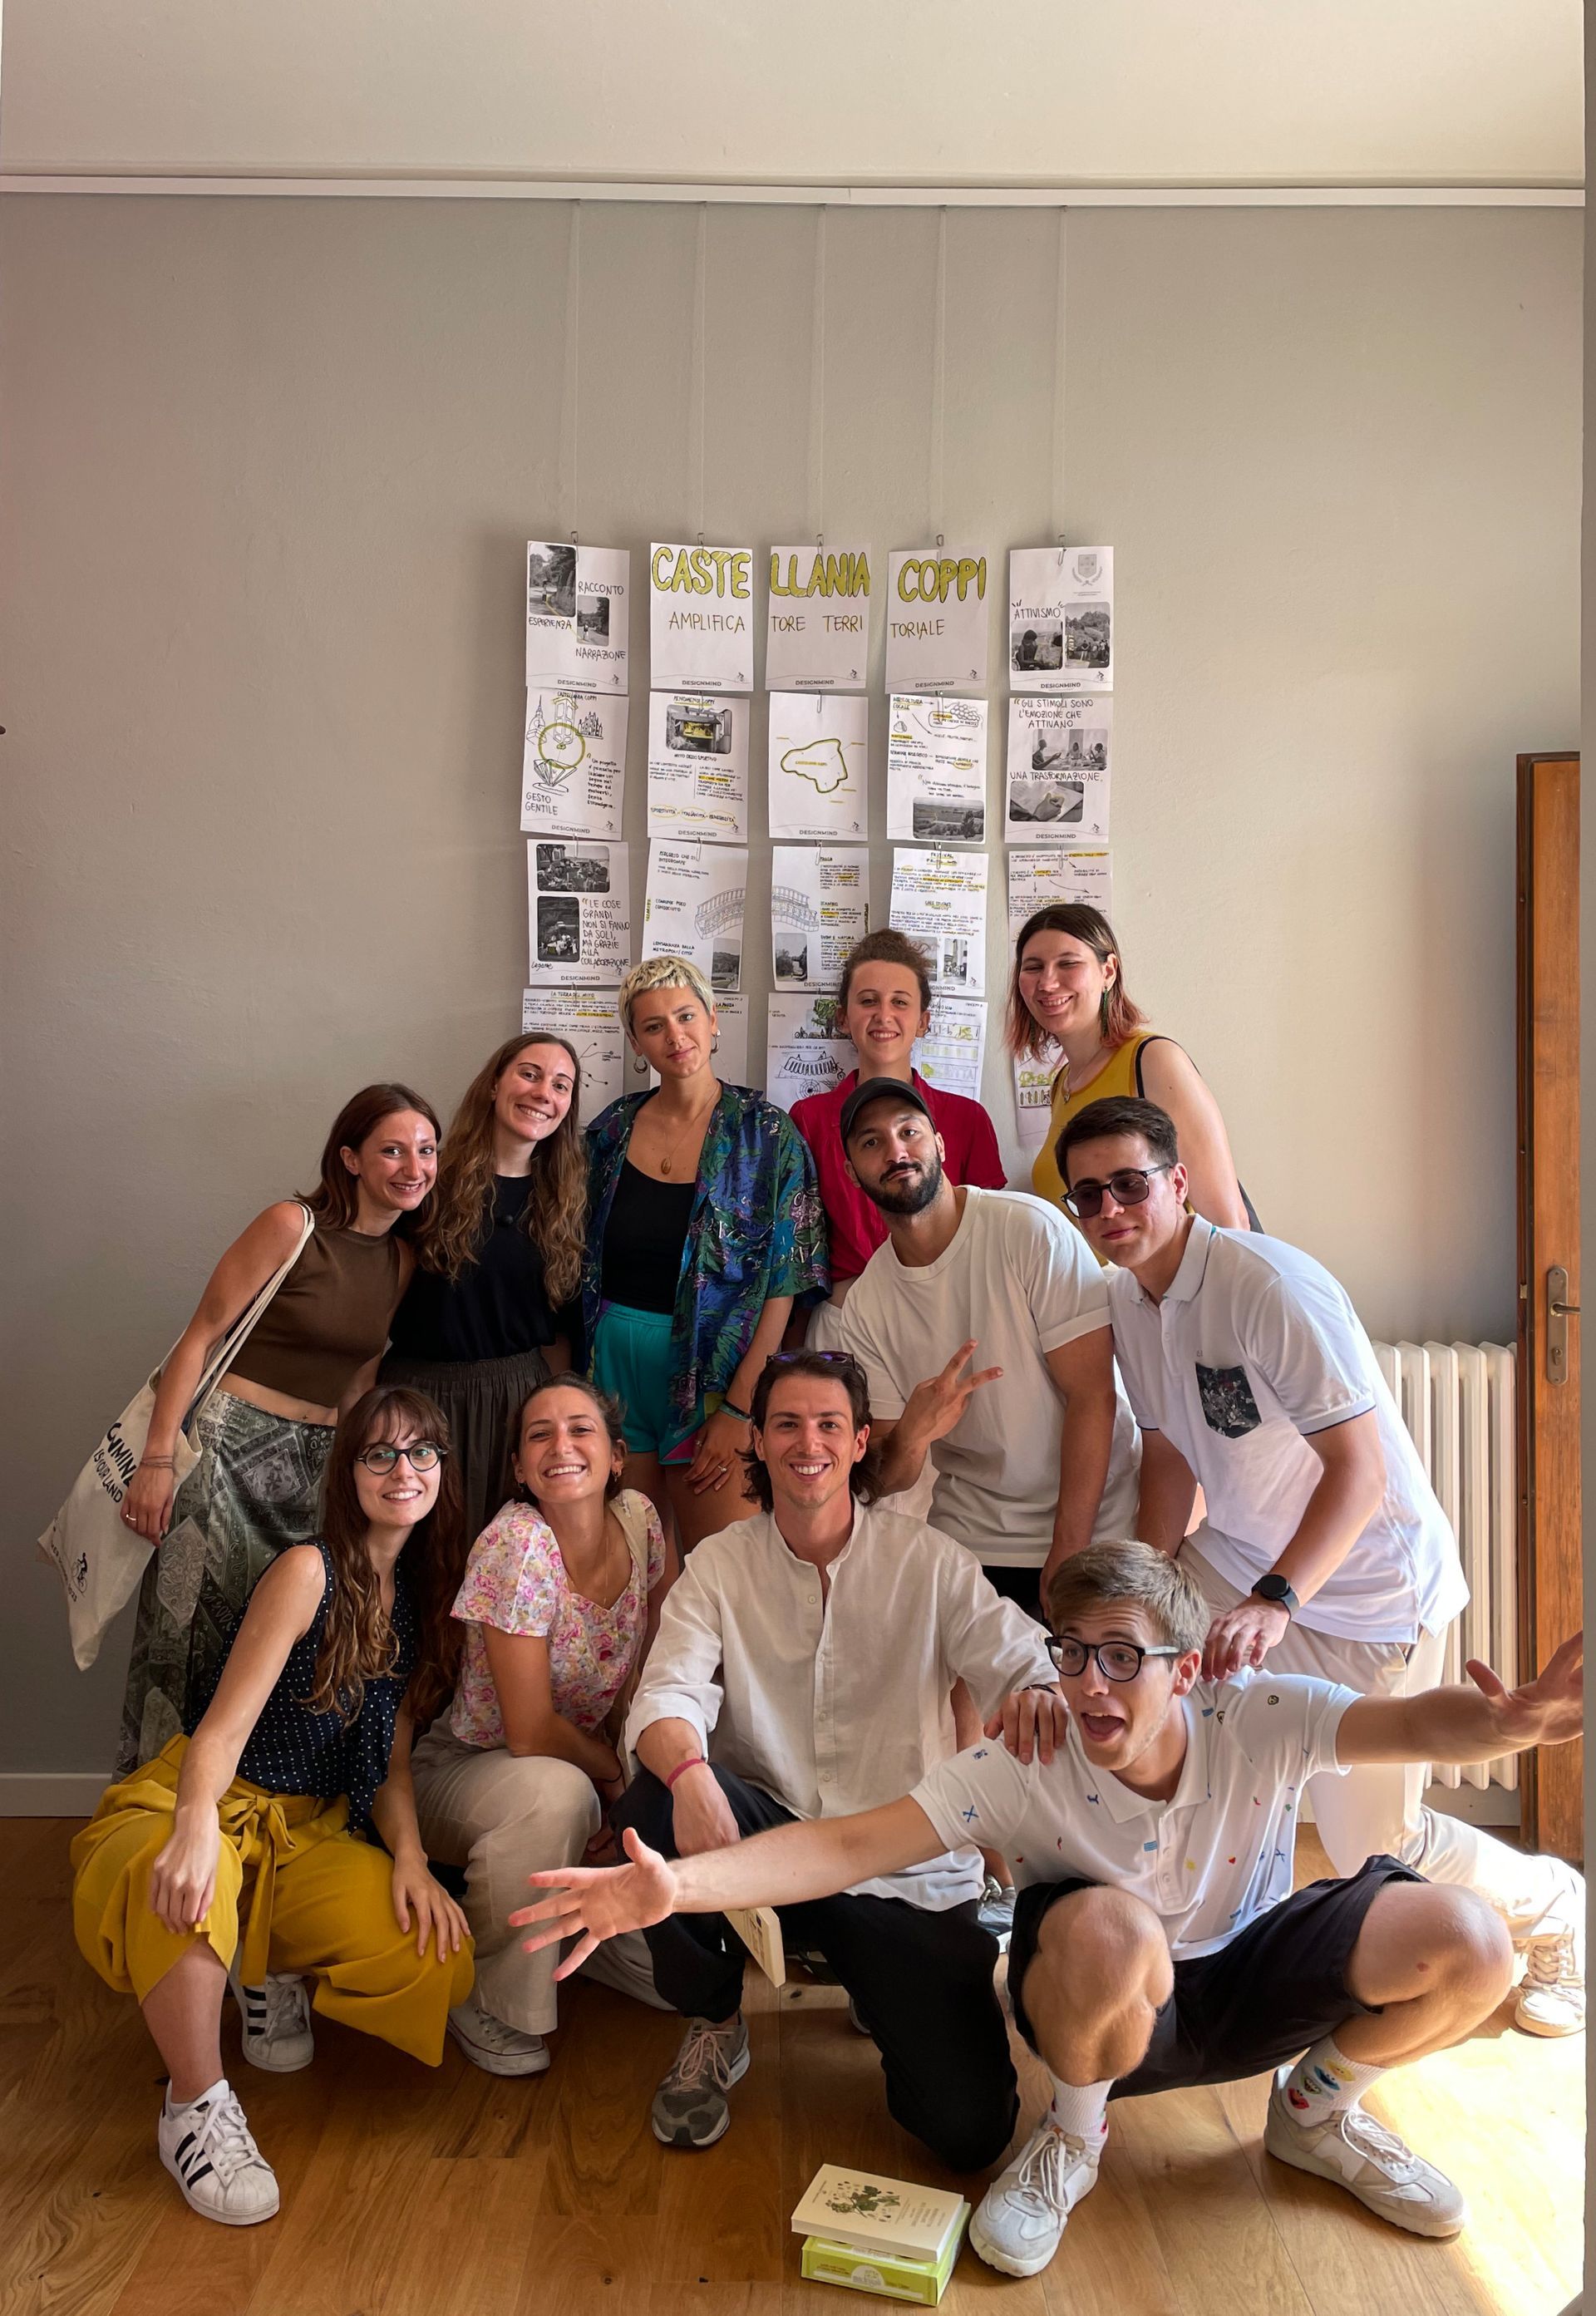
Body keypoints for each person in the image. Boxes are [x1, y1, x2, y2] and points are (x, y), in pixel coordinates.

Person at [513, 1540, 1584, 2279]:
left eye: (1122, 1657)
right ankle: (1074, 2136)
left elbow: (1413, 1726)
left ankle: (1315, 2113)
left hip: (1250, 1962)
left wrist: (1515, 1724)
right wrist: (678, 1885)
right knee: (1114, 1930)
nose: (1092, 1684)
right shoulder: (1023, 1759)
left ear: (1186, 1666)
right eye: (1072, 1652)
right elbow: (845, 1845)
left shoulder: (1259, 1712)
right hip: (1110, 2005)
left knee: (1475, 1941)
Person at [1057, 1094, 1585, 2035]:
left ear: (1179, 1183)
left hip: (1366, 1591)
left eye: (1129, 1184)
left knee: (1376, 1840)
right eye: (1088, 1195)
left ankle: (1555, 1908)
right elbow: (1171, 1455)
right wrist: (1143, 1586)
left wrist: (1275, 1601)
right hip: (1242, 1559)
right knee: (1141, 1686)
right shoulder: (1127, 1301)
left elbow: (1360, 1470)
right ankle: (1174, 1926)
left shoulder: (1267, 1286)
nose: (1111, 1210)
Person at [601, 1348, 1058, 2164]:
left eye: (828, 1424)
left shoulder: (929, 1562)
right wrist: (691, 1775)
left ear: (859, 1442)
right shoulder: (719, 1565)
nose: (806, 1442)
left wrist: (1037, 1691)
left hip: (904, 1872)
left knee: (968, 2132)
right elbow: (664, 1698)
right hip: (770, 1849)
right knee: (654, 1801)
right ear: (760, 1442)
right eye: (786, 1423)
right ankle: (715, 2020)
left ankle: (875, 1982)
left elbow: (1021, 1656)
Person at [72, 1386, 476, 2228]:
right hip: (207, 1795)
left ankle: (261, 1966)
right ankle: (195, 2106)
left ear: (443, 1467)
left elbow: (392, 1763)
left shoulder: (420, 1598)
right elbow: (220, 1734)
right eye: (379, 1453)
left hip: (307, 1831)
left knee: (435, 1953)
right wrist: (193, 1828)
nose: (403, 1469)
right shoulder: (308, 1571)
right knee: (185, 1881)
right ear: (349, 1473)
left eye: (421, 1452)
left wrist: (411, 1859)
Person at [117, 1084, 441, 1775]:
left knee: (278, 1650)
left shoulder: (401, 1261)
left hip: (317, 1469)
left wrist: (358, 1477)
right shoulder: (292, 1226)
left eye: (425, 1149)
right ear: (350, 1158)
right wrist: (158, 1459)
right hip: (226, 1455)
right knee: (186, 1640)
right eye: (392, 1150)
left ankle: (248, 1803)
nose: (414, 1166)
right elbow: (199, 1337)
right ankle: (153, 1809)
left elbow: (359, 1383)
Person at [409, 1376, 672, 2076]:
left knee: (672, 1981)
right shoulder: (517, 1545)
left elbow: (658, 1665)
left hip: (586, 1764)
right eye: (540, 1435)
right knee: (557, 1793)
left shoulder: (641, 1520)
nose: (562, 1446)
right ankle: (486, 1994)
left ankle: (576, 1932)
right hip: (469, 1768)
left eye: (581, 1429)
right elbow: (527, 1732)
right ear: (521, 1469)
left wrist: (637, 1784)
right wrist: (610, 1776)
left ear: (617, 1456)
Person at [832, 1077, 1139, 1621]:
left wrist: (1067, 1550)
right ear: (852, 1171)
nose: (896, 1151)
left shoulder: (1028, 1229)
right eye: (872, 1142)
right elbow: (887, 1477)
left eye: (909, 1131)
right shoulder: (865, 1304)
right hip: (970, 1536)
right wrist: (913, 1434)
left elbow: (1094, 1397)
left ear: (940, 1144)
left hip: (1093, 1526)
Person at [584, 954, 828, 1552]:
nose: (675, 1036)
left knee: (723, 1569)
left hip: (712, 1378)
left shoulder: (766, 1134)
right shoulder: (612, 1129)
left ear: (714, 1020)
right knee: (632, 1566)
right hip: (612, 1367)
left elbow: (785, 1282)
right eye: (654, 1026)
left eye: (686, 1016)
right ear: (636, 1043)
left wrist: (741, 1409)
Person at [384, 1034, 585, 1542]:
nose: (543, 1093)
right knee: (416, 1554)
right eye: (529, 1074)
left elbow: (561, 1334)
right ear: (495, 1084)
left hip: (517, 1400)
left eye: (561, 1085)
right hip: (417, 1397)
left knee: (503, 1556)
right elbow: (371, 1306)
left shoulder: (567, 1202)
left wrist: (552, 1417)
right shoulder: (427, 1180)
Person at [789, 929, 1005, 1332]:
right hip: (845, 1319)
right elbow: (797, 1248)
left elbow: (989, 1240)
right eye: (868, 1000)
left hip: (949, 1316)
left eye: (900, 1002)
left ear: (923, 1021)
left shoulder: (968, 1119)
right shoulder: (808, 1119)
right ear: (843, 1017)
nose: (883, 1015)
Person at [1007, 904, 1251, 1230]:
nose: (1047, 983)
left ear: (1108, 972)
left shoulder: (1153, 1060)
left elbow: (1230, 1223)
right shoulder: (1063, 1083)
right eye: (1034, 967)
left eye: (1068, 963)